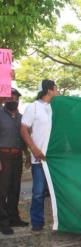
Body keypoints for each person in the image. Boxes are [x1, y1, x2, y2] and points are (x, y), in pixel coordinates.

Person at [20, 79, 58, 232]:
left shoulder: (57, 107)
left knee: (58, 191)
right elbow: (24, 130)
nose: (57, 91)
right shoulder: (33, 107)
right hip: (40, 159)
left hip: (56, 159)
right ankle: (37, 223)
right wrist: (34, 149)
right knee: (38, 193)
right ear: (49, 90)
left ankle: (59, 221)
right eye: (56, 88)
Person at [0, 88, 30, 235]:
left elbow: (24, 138)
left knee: (15, 188)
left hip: (17, 156)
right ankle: (3, 221)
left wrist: (28, 155)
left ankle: (14, 217)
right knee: (2, 190)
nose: (13, 100)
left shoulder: (22, 117)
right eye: (10, 97)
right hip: (3, 156)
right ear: (5, 100)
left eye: (16, 98)